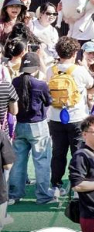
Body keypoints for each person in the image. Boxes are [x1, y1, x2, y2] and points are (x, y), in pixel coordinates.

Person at [47, 36, 94, 200]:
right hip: (77, 117)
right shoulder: (79, 71)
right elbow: (91, 84)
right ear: (75, 53)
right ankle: (77, 186)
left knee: (58, 153)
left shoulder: (51, 70)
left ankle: (56, 185)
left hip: (55, 117)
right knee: (78, 153)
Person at [8, 52, 55, 205]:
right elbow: (48, 102)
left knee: (18, 162)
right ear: (36, 68)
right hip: (38, 125)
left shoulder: (15, 81)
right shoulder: (40, 84)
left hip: (20, 124)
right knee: (41, 161)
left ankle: (14, 194)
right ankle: (43, 195)